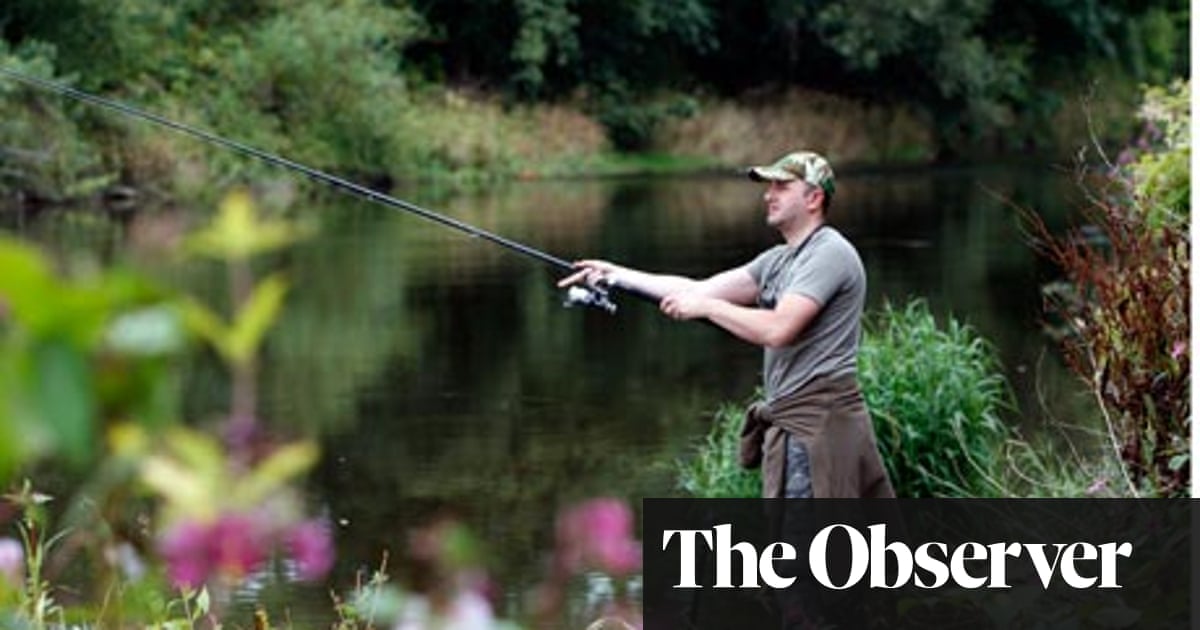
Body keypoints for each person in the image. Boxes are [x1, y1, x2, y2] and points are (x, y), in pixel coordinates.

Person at [558, 150, 894, 500]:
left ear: (814, 198)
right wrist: (615, 276)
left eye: (781, 186)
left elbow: (778, 329)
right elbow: (696, 290)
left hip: (820, 430)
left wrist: (709, 307)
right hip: (796, 426)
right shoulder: (777, 261)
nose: (768, 195)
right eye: (769, 187)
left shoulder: (829, 253)